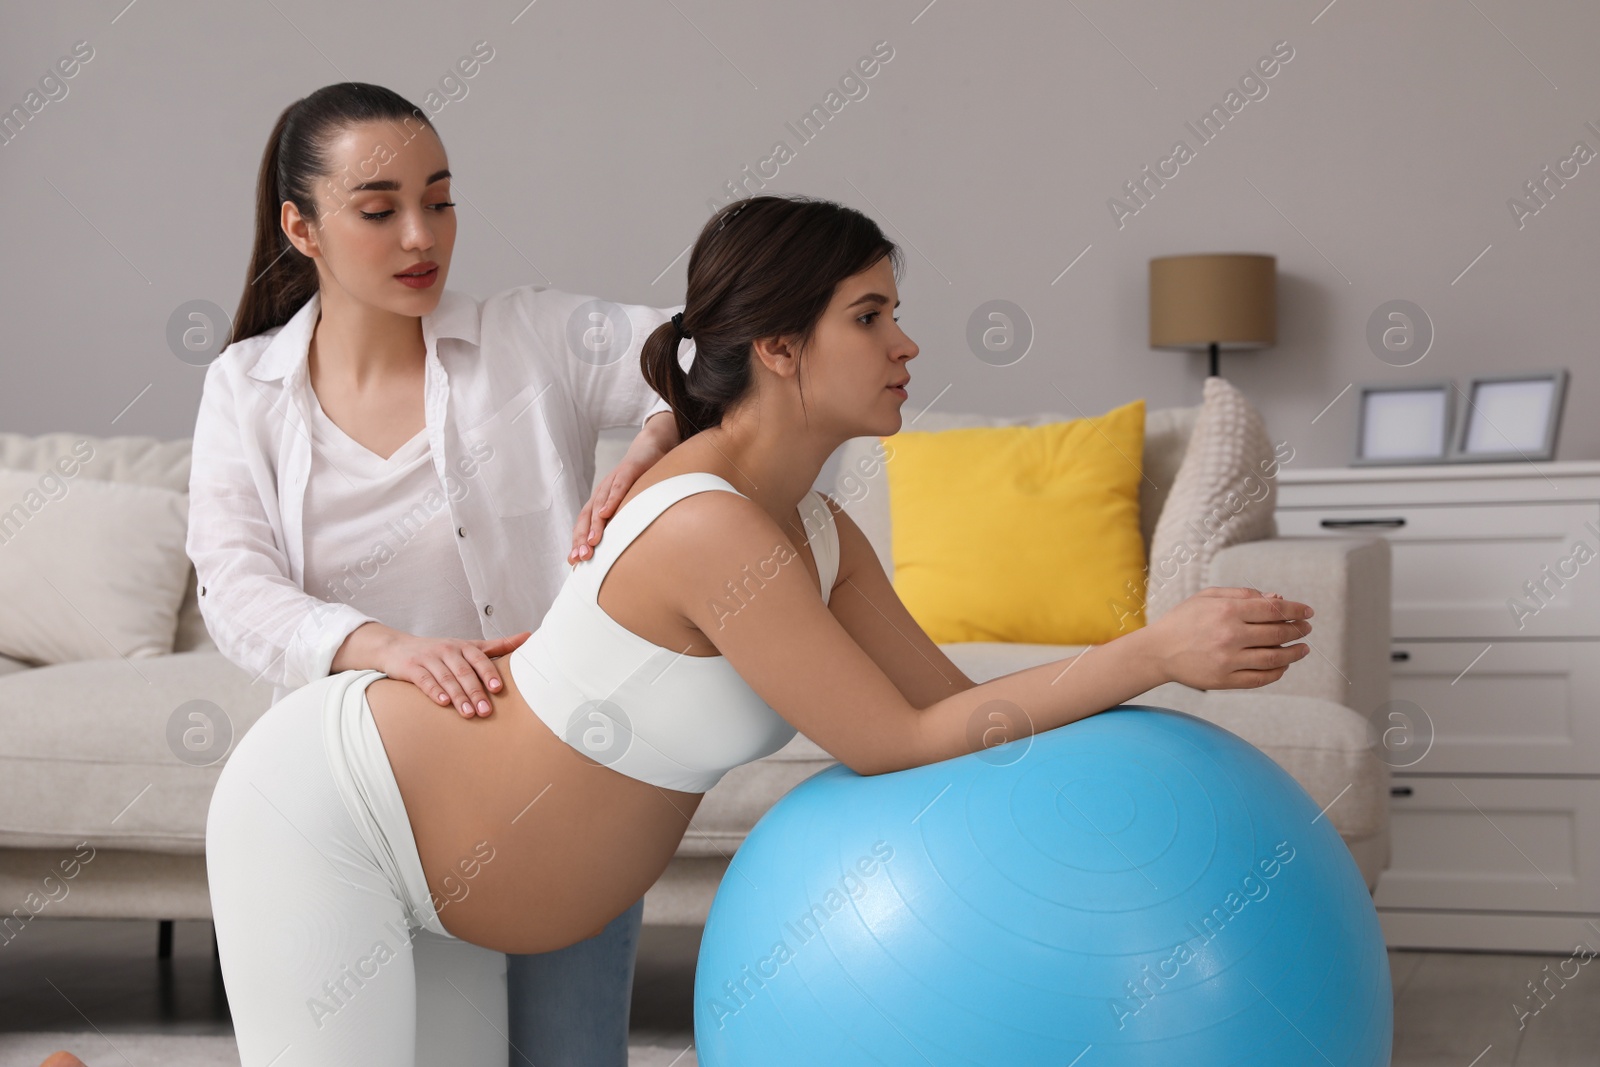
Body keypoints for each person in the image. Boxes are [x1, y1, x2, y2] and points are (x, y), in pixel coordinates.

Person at [204, 193, 1315, 1065]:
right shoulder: (710, 531)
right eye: (870, 316)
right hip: (339, 811)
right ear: (779, 347)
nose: (907, 345)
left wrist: (1146, 668)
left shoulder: (820, 531)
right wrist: (1153, 652)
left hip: (449, 871)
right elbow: (887, 742)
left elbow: (947, 711)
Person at [186, 83, 693, 1065]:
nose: (422, 235)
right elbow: (235, 590)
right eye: (378, 210)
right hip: (361, 795)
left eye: (441, 199)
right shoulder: (244, 387)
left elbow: (723, 351)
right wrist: (388, 650)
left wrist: (655, 440)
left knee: (570, 1053)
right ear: (303, 227)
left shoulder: (532, 337)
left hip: (558, 778)